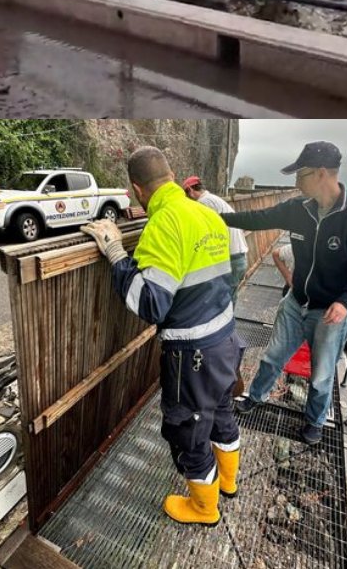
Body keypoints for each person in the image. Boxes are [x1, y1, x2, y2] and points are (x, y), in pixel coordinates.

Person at [80, 146, 242, 527]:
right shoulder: (206, 214)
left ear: (137, 189)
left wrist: (117, 254)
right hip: (226, 338)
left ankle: (205, 508)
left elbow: (150, 302)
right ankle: (229, 483)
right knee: (221, 413)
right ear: (171, 175)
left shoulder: (165, 222)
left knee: (189, 430)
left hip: (193, 353)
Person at [222, 141, 347, 445]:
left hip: (330, 313)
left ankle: (315, 421)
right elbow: (258, 219)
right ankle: (255, 397)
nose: (295, 182)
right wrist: (216, 218)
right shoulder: (298, 209)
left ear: (321, 173)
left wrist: (345, 301)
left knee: (322, 376)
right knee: (273, 358)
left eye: (300, 175)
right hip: (296, 302)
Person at [183, 176, 247, 305]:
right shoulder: (214, 200)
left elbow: (202, 233)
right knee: (229, 298)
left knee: (221, 301)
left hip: (231, 259)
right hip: (239, 257)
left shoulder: (204, 203)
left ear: (190, 190)